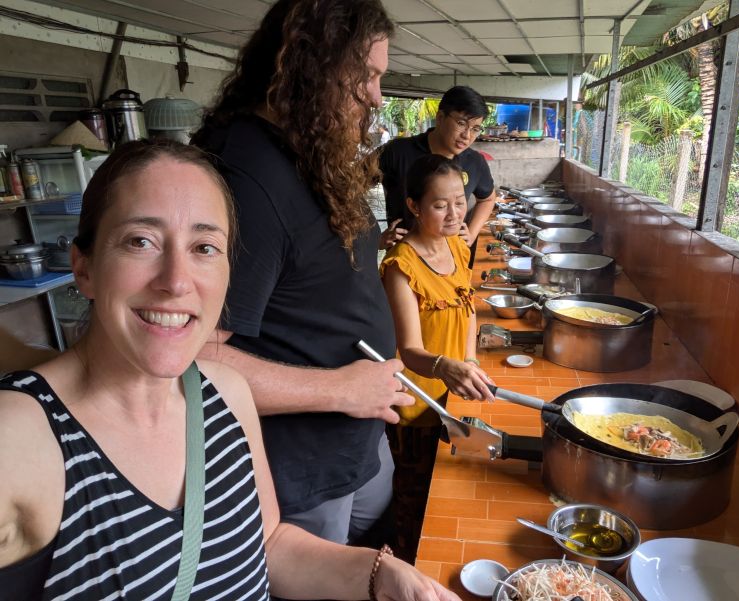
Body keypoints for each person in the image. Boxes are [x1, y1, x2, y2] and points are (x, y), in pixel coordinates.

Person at [0, 140, 459, 601]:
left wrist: (381, 575)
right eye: (141, 241)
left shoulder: (224, 395)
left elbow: (270, 546)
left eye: (204, 247)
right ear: (84, 268)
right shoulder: (20, 438)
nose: (176, 281)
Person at [192, 0, 413, 545]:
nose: (377, 96)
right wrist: (340, 390)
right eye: (365, 76)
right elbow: (190, 359)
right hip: (300, 467)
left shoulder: (305, 149)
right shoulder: (245, 178)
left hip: (353, 441)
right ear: (310, 65)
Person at [380, 154, 495, 559]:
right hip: (419, 401)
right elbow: (409, 351)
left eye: (459, 202)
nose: (453, 213)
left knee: (451, 487)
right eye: (439, 205)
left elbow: (467, 307)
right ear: (413, 206)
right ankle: (406, 565)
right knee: (415, 494)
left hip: (455, 390)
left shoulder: (458, 248)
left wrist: (470, 360)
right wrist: (446, 367)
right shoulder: (401, 266)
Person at [380, 86, 497, 265]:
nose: (467, 136)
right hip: (405, 261)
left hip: (452, 260)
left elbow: (488, 199)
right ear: (441, 118)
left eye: (475, 128)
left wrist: (472, 234)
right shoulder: (398, 151)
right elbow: (349, 188)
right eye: (461, 124)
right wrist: (373, 238)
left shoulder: (474, 162)